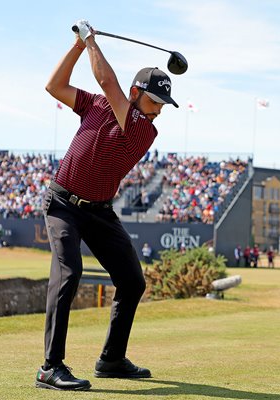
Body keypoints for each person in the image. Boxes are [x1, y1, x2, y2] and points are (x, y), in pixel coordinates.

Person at [35, 20, 179, 391]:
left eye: (163, 106)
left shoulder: (144, 128)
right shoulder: (98, 106)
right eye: (154, 102)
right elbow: (55, 87)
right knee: (69, 274)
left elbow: (107, 83)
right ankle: (50, 367)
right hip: (63, 204)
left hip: (99, 211)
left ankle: (111, 359)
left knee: (132, 281)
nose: (158, 111)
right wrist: (79, 47)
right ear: (136, 92)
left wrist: (91, 41)